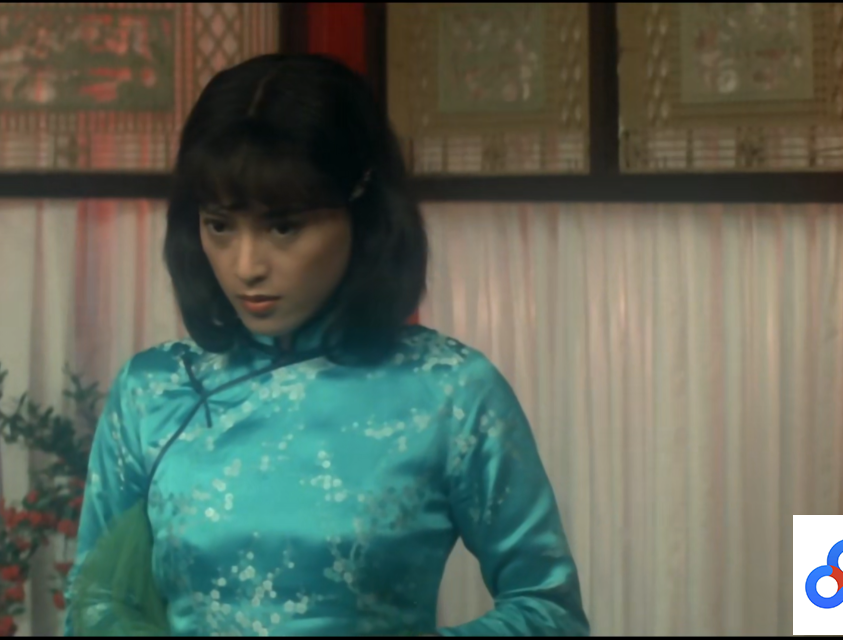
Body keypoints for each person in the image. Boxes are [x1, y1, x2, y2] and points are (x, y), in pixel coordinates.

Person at [65, 53, 588, 637]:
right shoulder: (154, 391)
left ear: (363, 212)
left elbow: (550, 613)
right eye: (220, 225)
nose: (246, 265)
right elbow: (95, 609)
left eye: (283, 226)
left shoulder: (451, 392)